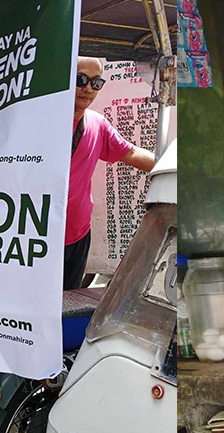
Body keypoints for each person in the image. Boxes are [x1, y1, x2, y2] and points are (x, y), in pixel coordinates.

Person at [65, 56, 157, 289]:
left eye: (96, 83)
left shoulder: (98, 124)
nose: (88, 88)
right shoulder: (40, 121)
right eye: (80, 79)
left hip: (78, 235)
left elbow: (133, 154)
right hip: (39, 238)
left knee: (69, 304)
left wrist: (176, 167)